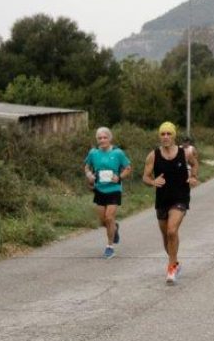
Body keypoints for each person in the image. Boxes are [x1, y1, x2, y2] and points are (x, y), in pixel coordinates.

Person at [142, 121, 198, 284]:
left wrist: (193, 177)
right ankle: (175, 262)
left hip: (180, 197)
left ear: (174, 136)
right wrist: (153, 182)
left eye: (168, 134)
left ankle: (171, 267)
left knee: (172, 231)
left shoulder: (184, 153)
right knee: (167, 238)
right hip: (162, 199)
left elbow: (195, 164)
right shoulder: (153, 155)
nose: (165, 137)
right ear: (159, 136)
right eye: (162, 134)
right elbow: (145, 177)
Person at [83, 126, 132, 257]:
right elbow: (87, 167)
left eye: (105, 137)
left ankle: (109, 246)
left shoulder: (118, 153)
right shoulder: (93, 153)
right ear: (97, 140)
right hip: (99, 189)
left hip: (114, 189)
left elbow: (128, 168)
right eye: (100, 138)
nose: (102, 140)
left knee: (109, 217)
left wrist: (119, 177)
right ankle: (114, 227)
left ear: (110, 138)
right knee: (103, 221)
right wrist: (89, 175)